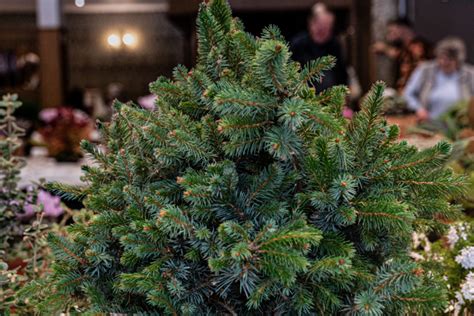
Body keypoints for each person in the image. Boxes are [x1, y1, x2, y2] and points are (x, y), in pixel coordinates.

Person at [404, 37, 474, 121]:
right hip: (428, 121)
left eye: (449, 59)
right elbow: (408, 93)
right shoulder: (425, 70)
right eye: (441, 58)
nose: (444, 62)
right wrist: (419, 109)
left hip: (459, 124)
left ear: (458, 60)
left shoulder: (470, 73)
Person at [290, 3, 348, 92]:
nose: (323, 30)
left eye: (327, 27)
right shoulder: (298, 44)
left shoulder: (335, 45)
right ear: (310, 23)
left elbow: (342, 76)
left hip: (330, 98)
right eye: (319, 25)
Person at [373, 18, 431, 91]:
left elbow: (420, 72)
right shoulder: (406, 48)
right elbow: (399, 54)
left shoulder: (417, 47)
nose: (388, 36)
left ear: (402, 29)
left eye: (391, 31)